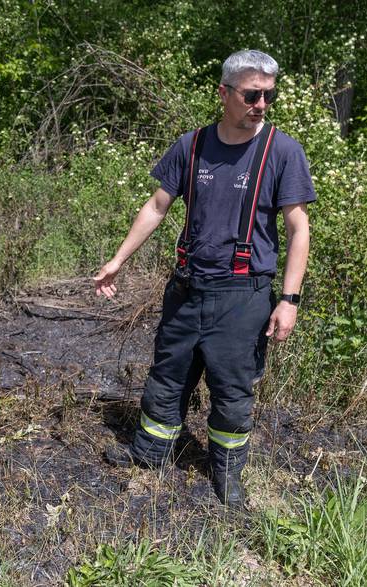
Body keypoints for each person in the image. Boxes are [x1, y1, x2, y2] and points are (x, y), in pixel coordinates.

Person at [93, 49, 315, 509]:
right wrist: (118, 259)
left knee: (232, 391)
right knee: (166, 378)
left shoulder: (283, 151)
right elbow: (157, 206)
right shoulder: (191, 146)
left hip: (243, 296)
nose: (261, 104)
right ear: (225, 93)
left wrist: (289, 299)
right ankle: (150, 456)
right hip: (187, 289)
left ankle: (227, 473)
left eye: (269, 96)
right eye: (252, 94)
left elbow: (298, 228)